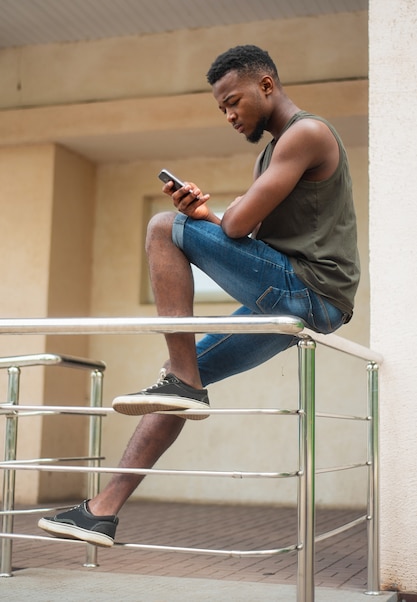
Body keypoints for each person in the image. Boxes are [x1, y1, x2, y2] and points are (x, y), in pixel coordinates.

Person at [38, 44, 360, 547]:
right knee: (181, 380)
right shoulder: (273, 151)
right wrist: (211, 219)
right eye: (222, 108)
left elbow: (237, 225)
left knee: (164, 226)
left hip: (307, 287)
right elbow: (249, 237)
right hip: (298, 293)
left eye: (233, 101)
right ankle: (101, 512)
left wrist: (209, 220)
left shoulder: (307, 134)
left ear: (267, 85)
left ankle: (181, 379)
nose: (229, 115)